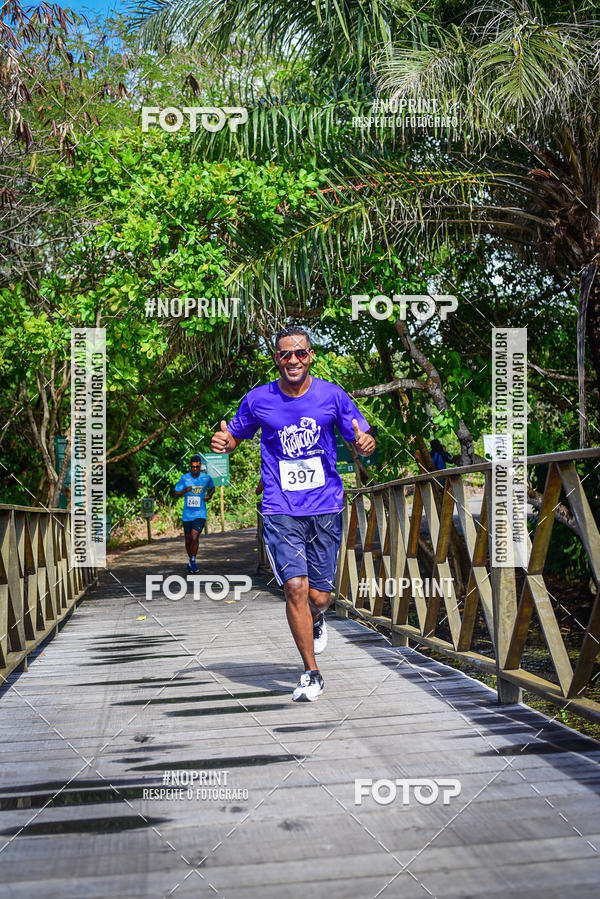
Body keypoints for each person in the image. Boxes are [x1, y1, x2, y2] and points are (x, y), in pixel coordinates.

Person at [210, 326, 375, 702]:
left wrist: (365, 444)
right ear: (276, 359)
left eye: (300, 353)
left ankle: (317, 618)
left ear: (311, 356)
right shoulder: (258, 399)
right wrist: (225, 443)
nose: (293, 361)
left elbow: (362, 438)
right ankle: (311, 672)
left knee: (319, 597)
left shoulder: (331, 395)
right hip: (280, 507)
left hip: (326, 506)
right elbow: (234, 436)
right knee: (295, 588)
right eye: (285, 355)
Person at [174, 454, 215, 573]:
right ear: (190, 466)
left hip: (200, 513)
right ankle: (190, 560)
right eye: (193, 467)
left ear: (200, 466)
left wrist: (209, 496)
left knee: (194, 536)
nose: (195, 469)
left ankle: (193, 560)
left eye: (197, 467)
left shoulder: (206, 478)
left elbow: (212, 488)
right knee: (188, 540)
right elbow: (175, 493)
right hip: (187, 514)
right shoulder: (184, 478)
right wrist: (184, 491)